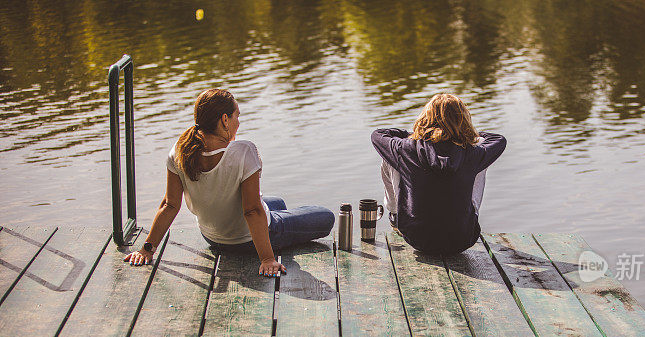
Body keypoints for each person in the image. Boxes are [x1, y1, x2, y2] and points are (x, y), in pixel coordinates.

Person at [124, 89, 334, 276]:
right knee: (325, 216)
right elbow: (251, 210)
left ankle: (278, 219)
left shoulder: (179, 151)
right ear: (225, 120)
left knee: (277, 201)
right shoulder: (243, 151)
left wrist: (147, 249)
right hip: (249, 240)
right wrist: (267, 259)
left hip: (213, 237)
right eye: (236, 116)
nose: (238, 123)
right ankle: (278, 231)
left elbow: (169, 205)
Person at [371, 93, 506, 255]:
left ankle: (395, 214)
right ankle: (466, 216)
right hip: (463, 238)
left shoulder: (406, 149)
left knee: (389, 157)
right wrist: (466, 133)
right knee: (482, 154)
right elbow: (498, 139)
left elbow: (378, 135)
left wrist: (414, 134)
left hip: (417, 238)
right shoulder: (471, 153)